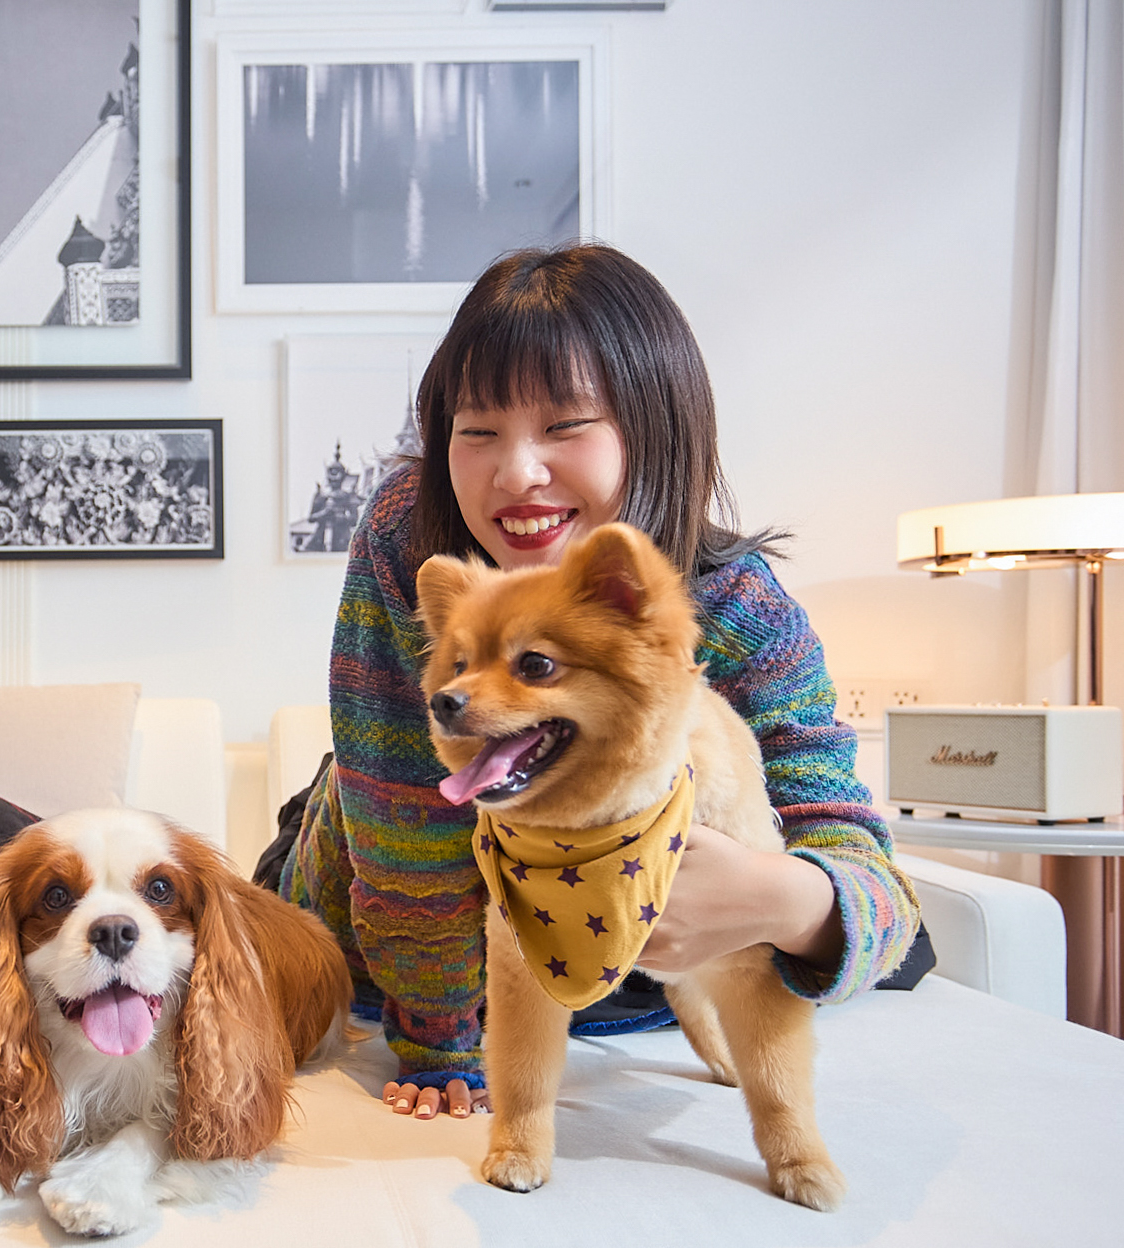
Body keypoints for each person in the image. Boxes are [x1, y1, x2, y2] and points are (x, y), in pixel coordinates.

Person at [275, 244, 922, 1124]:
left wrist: (786, 900)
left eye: (565, 425)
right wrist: (438, 1039)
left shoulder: (740, 612)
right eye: (476, 431)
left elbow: (866, 876)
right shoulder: (408, 538)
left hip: (630, 970)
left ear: (652, 427)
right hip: (374, 926)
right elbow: (400, 811)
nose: (515, 473)